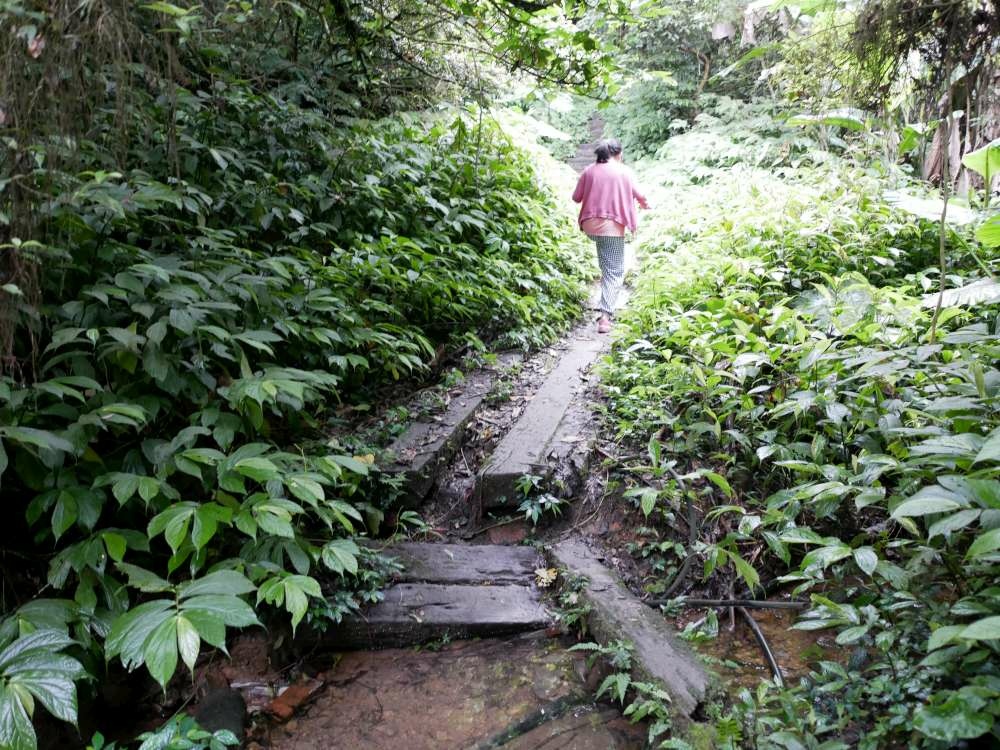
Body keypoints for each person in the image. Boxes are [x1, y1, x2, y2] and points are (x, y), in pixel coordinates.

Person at [571, 138, 649, 333]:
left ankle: (605, 296)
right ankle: (605, 317)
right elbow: (641, 195)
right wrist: (644, 204)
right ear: (618, 154)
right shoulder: (624, 171)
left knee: (607, 263)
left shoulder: (589, 170)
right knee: (614, 271)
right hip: (610, 227)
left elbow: (576, 198)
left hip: (589, 225)